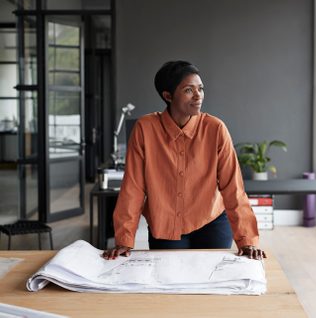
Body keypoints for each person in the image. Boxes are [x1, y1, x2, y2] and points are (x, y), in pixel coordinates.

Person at [103, 61, 266, 261]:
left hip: (212, 222)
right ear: (168, 95)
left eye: (200, 89)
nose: (198, 96)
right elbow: (133, 187)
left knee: (210, 284)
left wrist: (247, 239)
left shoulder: (215, 129)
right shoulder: (145, 129)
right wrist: (124, 240)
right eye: (189, 90)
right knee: (170, 283)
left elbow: (233, 188)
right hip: (165, 225)